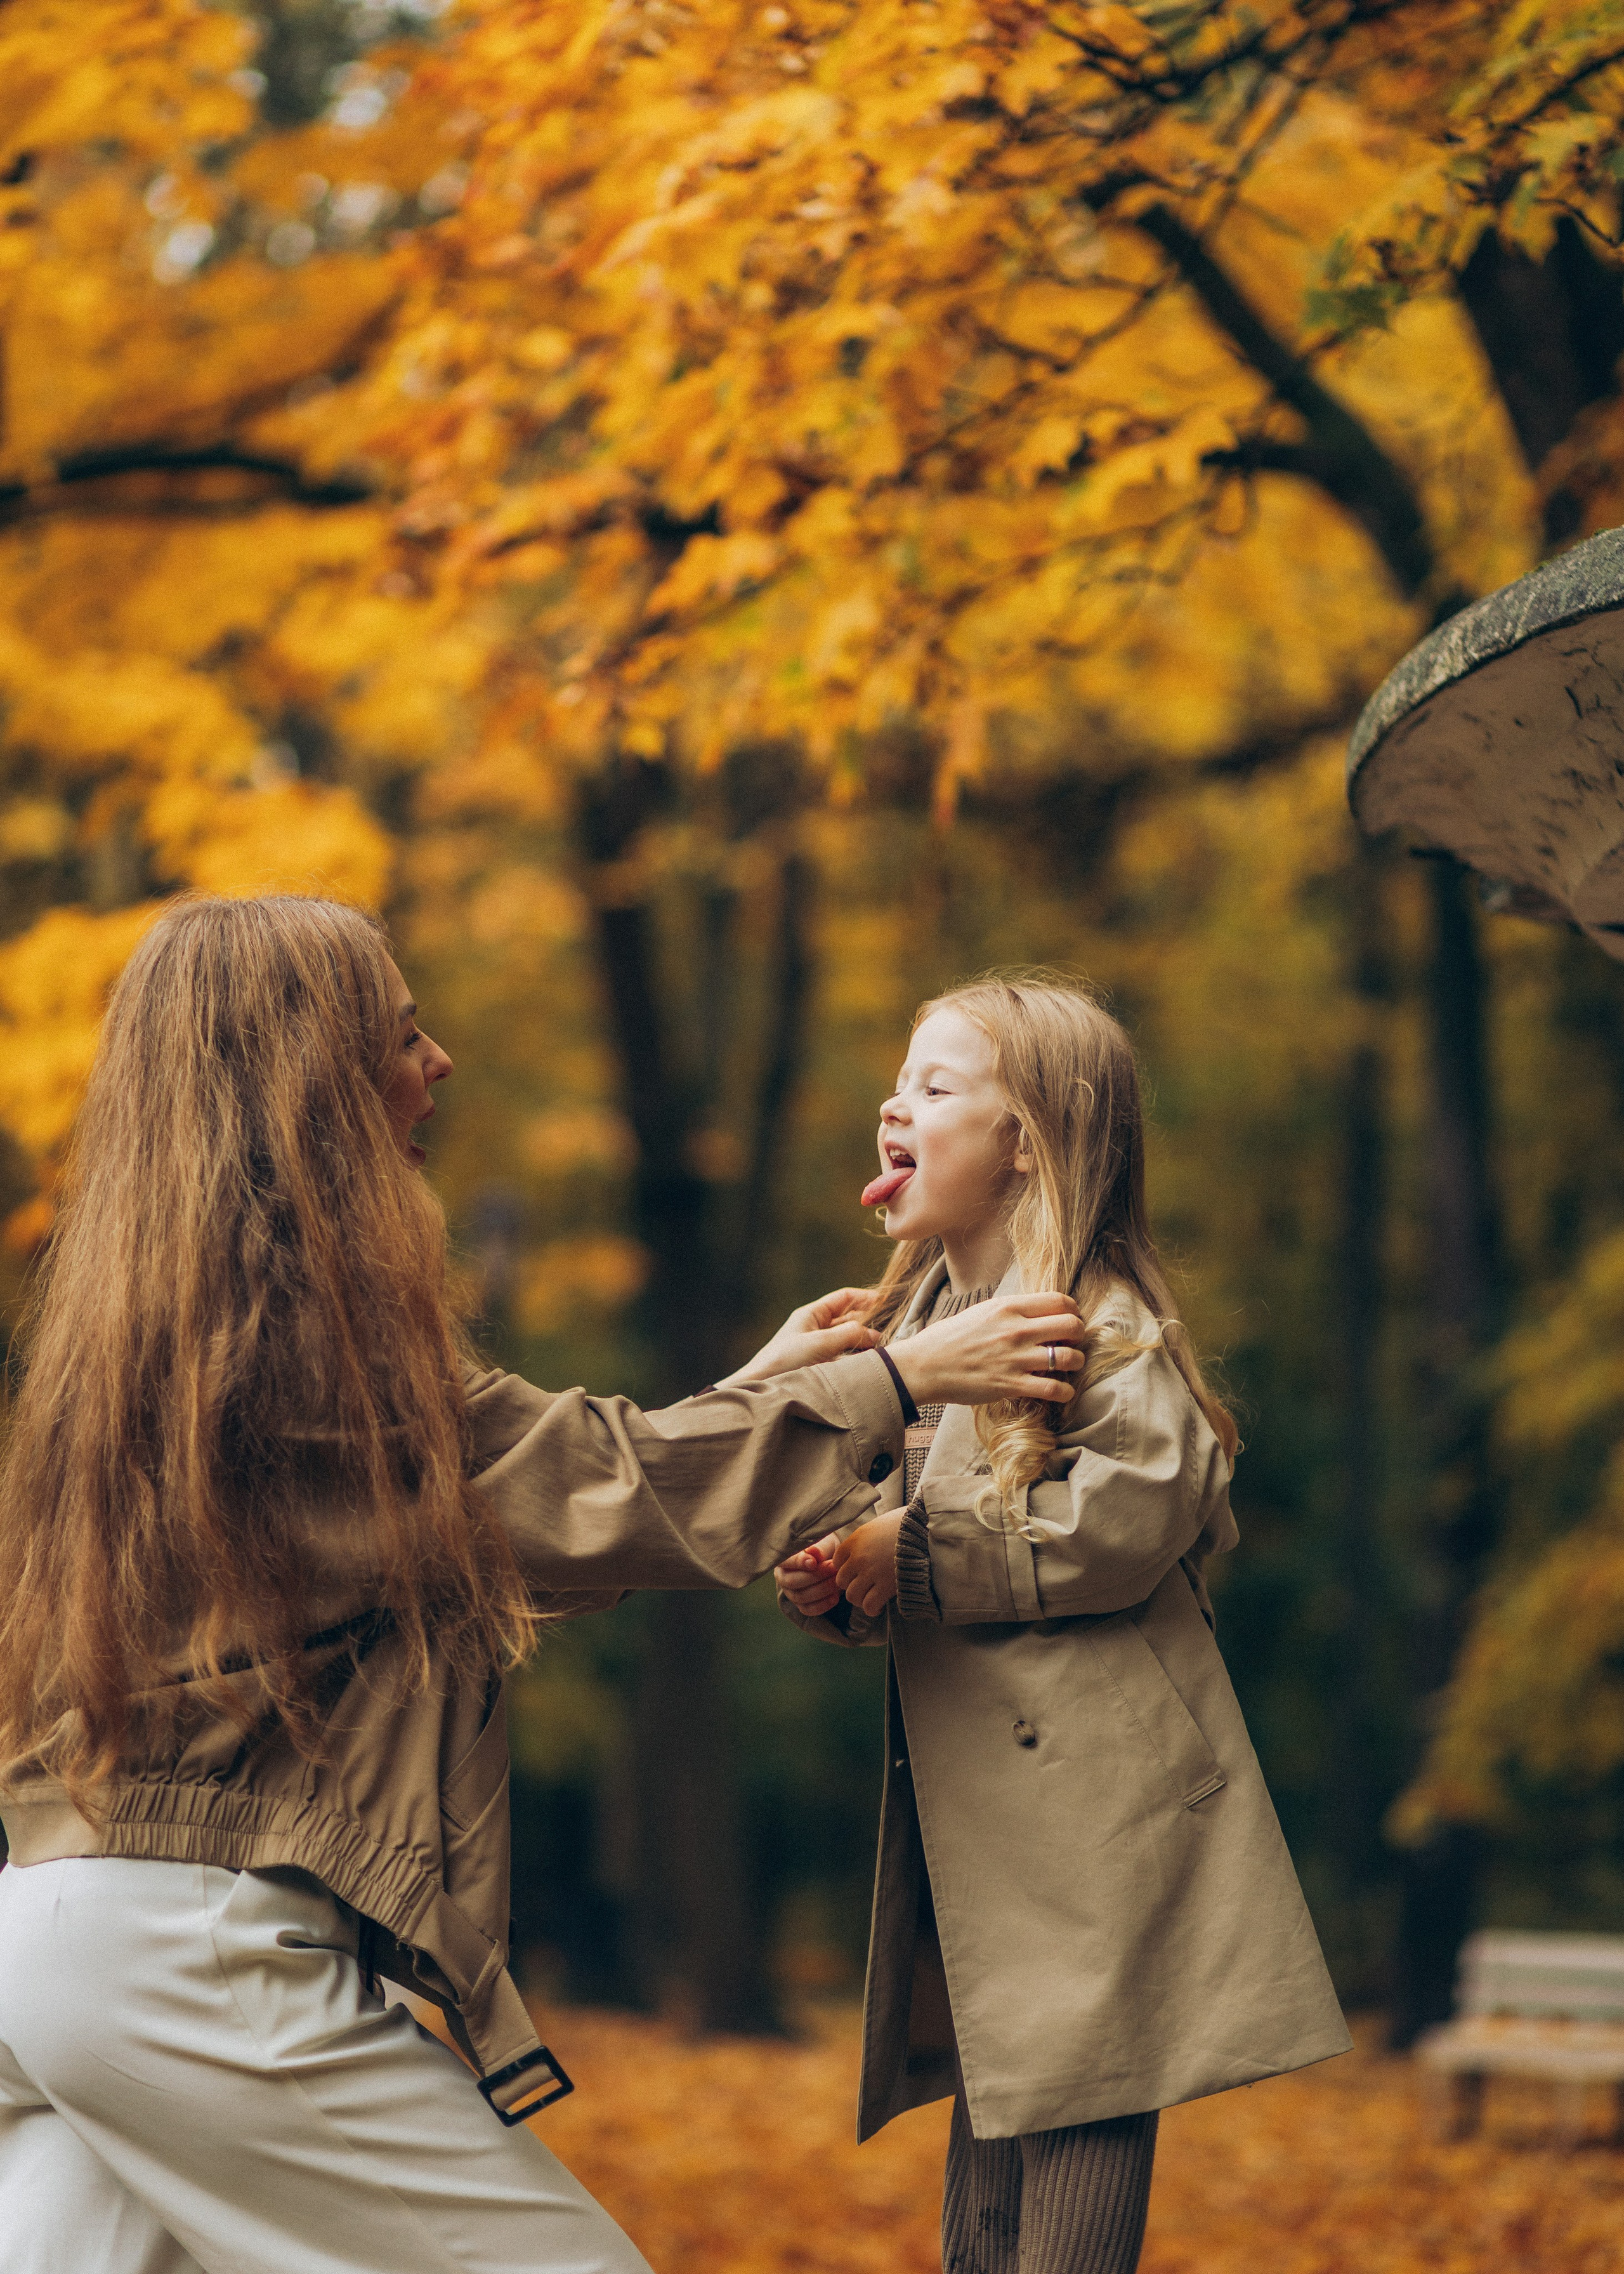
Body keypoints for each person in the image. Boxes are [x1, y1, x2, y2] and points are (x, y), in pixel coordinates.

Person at [0, 896, 1090, 2274]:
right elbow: (564, 1497)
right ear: (312, 1084)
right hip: (192, 1956)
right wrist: (899, 1379)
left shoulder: (174, 1330)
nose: (440, 1059)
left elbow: (504, 1520)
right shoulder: (295, 1346)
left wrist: (759, 1396)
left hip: (55, 1932)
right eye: (403, 1034)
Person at [776, 975, 1351, 2274]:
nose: (891, 1101)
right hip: (986, 1823)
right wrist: (834, 1578)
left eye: (932, 1085)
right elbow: (889, 1537)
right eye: (895, 1080)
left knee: (1078, 2122)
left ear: (1025, 1140)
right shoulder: (912, 1337)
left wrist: (902, 1556)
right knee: (989, 2170)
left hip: (1101, 1816)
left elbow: (1122, 1522)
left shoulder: (1105, 1325)